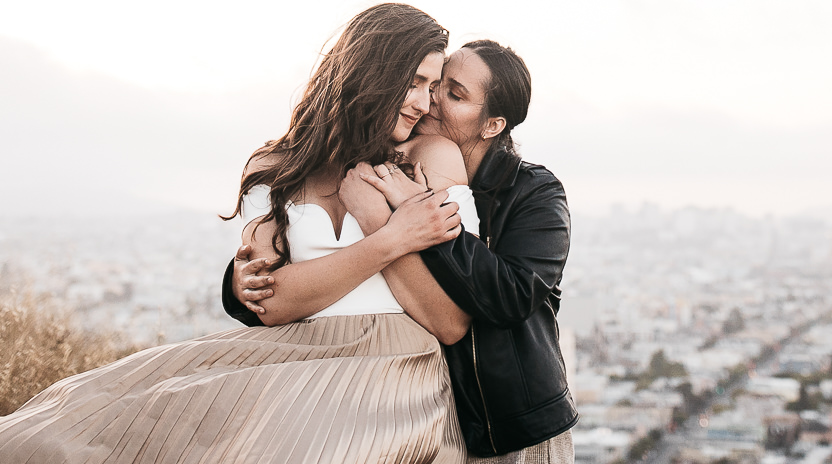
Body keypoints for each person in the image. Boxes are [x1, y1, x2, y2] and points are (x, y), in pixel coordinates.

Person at [0, 2, 474, 464]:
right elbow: (275, 303)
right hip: (292, 350)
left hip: (397, 370)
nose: (424, 102)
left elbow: (448, 321)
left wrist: (378, 226)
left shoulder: (427, 160)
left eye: (433, 86)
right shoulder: (286, 165)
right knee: (87, 417)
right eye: (414, 82)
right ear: (369, 75)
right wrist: (389, 239)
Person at [226, 39, 576, 463]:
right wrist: (238, 283)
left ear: (491, 125)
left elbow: (512, 294)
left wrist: (402, 214)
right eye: (434, 86)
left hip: (507, 422)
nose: (431, 102)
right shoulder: (396, 164)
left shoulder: (533, 193)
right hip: (420, 409)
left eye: (454, 94)